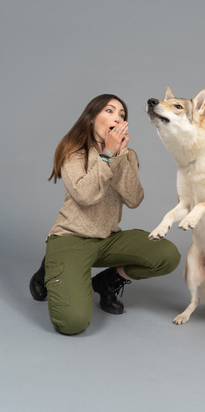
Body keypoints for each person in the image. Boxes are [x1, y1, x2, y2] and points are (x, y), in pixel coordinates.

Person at [29, 94, 180, 335]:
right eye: (110, 111)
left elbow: (134, 199)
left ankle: (106, 281)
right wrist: (107, 155)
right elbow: (85, 196)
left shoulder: (126, 155)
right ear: (91, 118)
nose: (117, 117)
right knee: (73, 323)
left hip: (107, 238)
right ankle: (50, 266)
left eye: (121, 114)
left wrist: (120, 157)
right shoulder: (73, 151)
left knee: (167, 255)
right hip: (71, 239)